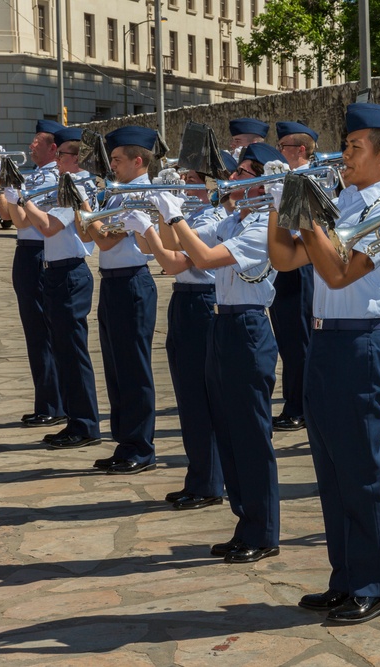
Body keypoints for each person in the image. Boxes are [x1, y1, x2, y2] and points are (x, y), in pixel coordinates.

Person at [268, 103, 380, 624]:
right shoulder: (346, 200)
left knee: (359, 469)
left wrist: (306, 216)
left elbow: (336, 274)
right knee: (330, 471)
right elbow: (285, 260)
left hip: (364, 341)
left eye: (354, 148)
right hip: (327, 342)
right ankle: (346, 577)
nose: (343, 155)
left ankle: (376, 582)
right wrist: (279, 207)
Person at [152, 142, 284, 560]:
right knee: (228, 431)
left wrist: (173, 211)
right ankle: (245, 523)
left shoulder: (263, 224)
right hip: (223, 321)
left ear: (262, 181)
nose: (232, 179)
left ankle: (262, 531)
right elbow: (178, 254)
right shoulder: (235, 218)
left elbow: (205, 259)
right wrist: (159, 213)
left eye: (243, 173)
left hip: (248, 325)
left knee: (249, 434)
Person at [0, 127, 101, 450]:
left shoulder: (77, 184)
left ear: (74, 157)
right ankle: (75, 420)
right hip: (56, 271)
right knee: (64, 351)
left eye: (61, 156)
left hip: (70, 272)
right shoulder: (64, 183)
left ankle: (84, 424)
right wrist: (15, 197)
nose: (56, 161)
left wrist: (22, 196)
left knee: (73, 352)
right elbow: (25, 220)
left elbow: (46, 225)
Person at [135, 164, 227, 510]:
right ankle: (199, 477)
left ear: (210, 185)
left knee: (202, 399)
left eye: (191, 181)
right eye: (184, 179)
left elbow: (174, 260)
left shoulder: (214, 218)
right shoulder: (193, 214)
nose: (185, 186)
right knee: (188, 399)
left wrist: (152, 223)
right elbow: (160, 249)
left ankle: (209, 482)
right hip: (184, 300)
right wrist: (156, 217)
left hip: (203, 301)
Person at [79, 126, 160, 475]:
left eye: (116, 159)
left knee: (134, 369)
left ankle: (141, 447)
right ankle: (125, 442)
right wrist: (85, 214)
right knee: (115, 368)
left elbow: (107, 241)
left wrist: (83, 208)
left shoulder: (141, 194)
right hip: (112, 283)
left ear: (137, 160)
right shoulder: (116, 193)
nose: (110, 165)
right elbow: (89, 233)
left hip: (132, 283)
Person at [0, 121, 64, 428]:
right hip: (26, 254)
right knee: (34, 333)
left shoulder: (53, 179)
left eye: (36, 142)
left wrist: (9, 185)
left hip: (39, 252)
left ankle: (54, 403)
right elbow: (1, 209)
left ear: (52, 147)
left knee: (43, 332)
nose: (30, 146)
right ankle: (46, 401)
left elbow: (20, 221)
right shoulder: (35, 175)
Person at [270, 120, 319, 432]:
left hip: (301, 264)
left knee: (298, 340)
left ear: (300, 150)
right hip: (282, 262)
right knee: (287, 339)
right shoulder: (285, 178)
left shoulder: (313, 179)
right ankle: (294, 401)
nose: (279, 152)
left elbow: (306, 224)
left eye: (284, 147)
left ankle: (299, 405)